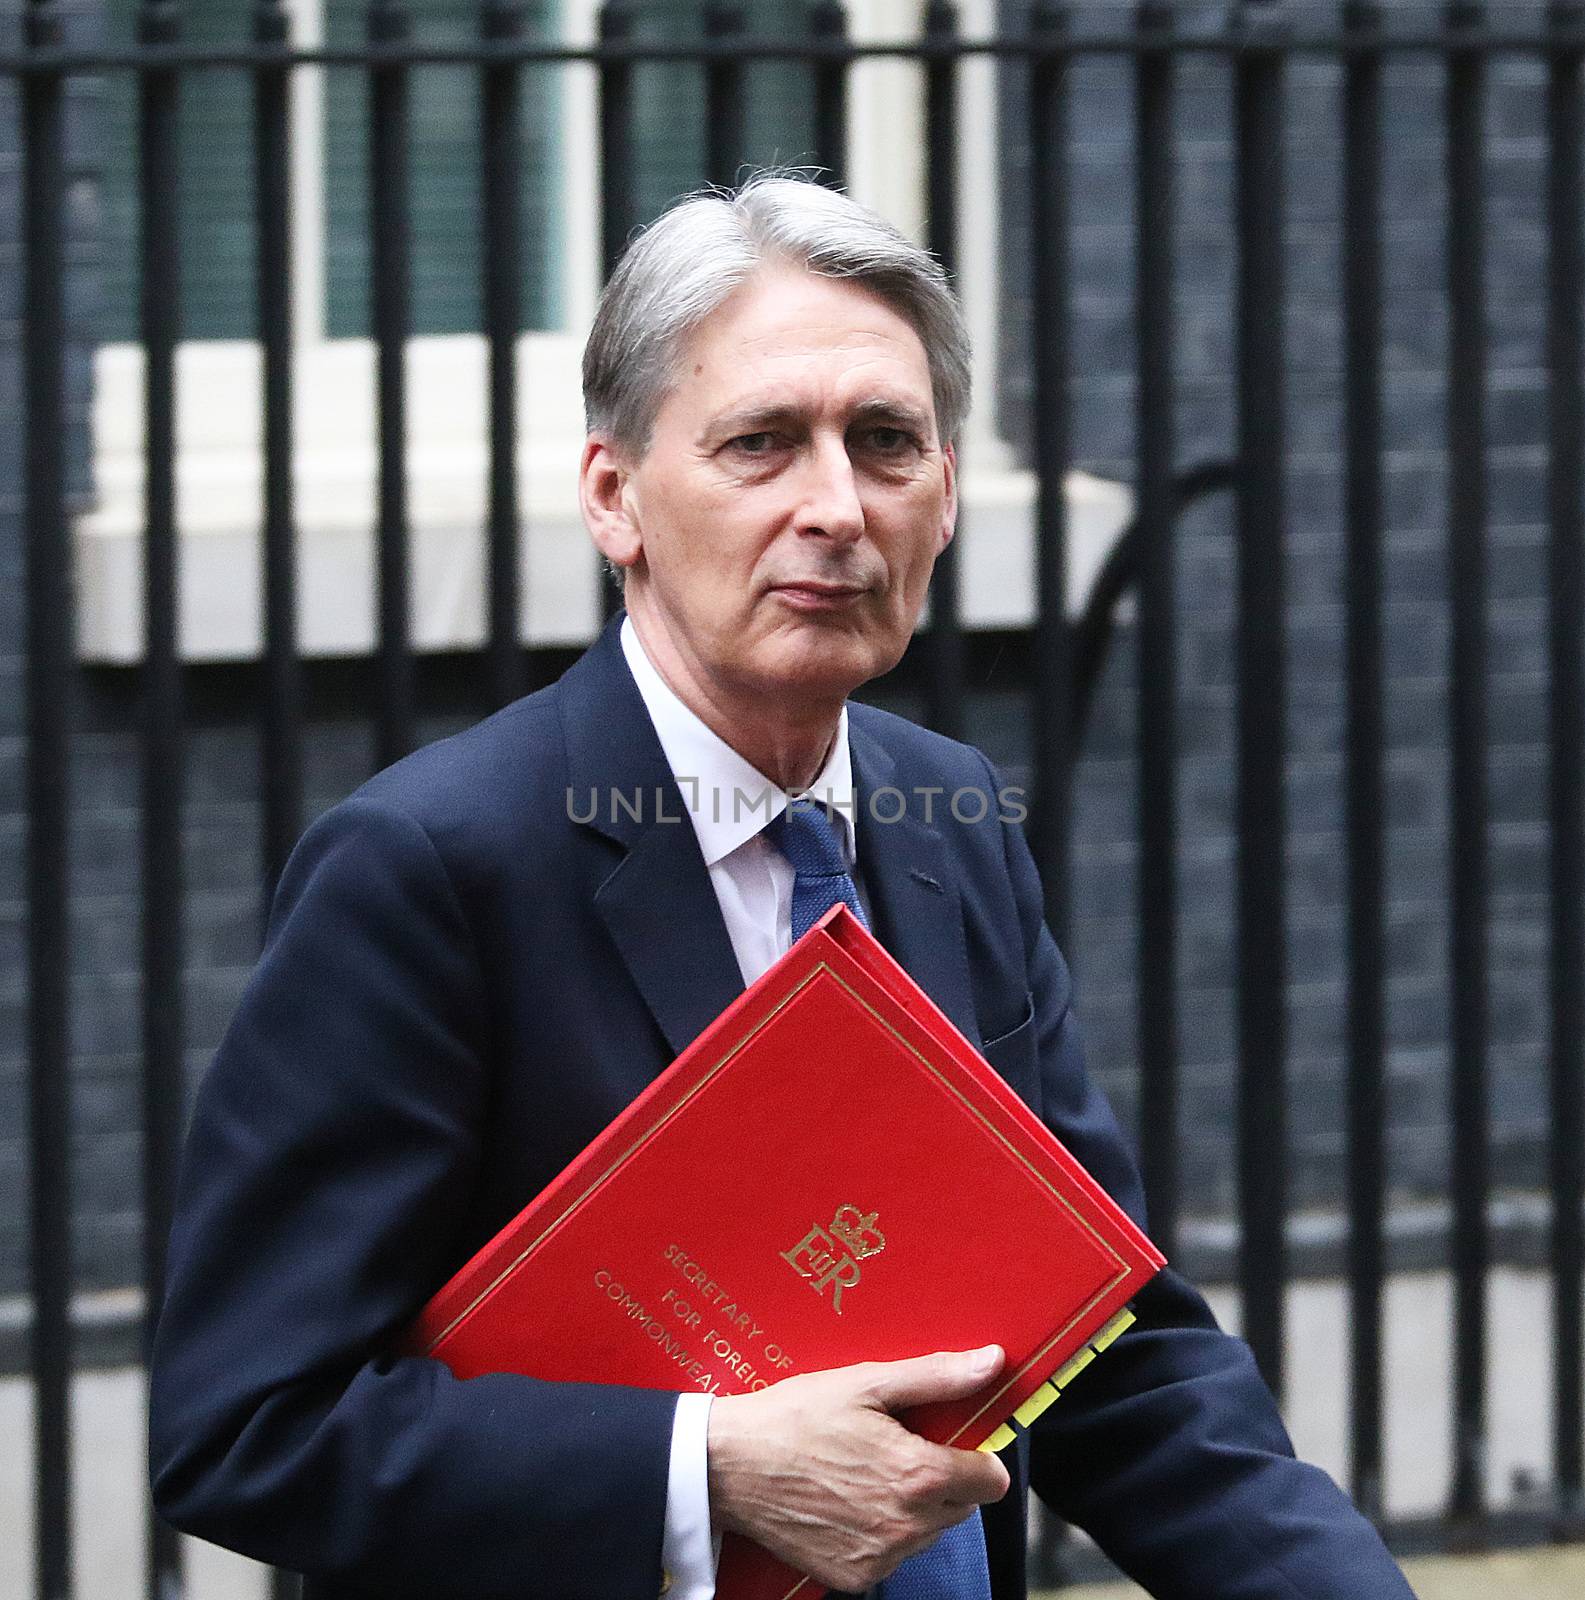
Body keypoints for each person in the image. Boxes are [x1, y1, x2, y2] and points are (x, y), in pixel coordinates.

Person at [149, 174, 1416, 1600]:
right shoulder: (431, 867)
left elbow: (1104, 1338)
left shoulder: (947, 816)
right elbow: (248, 1422)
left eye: (885, 441)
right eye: (760, 445)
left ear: (943, 492)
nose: (835, 507)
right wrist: (708, 1469)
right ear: (614, 497)